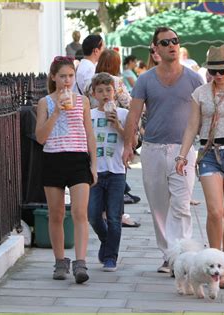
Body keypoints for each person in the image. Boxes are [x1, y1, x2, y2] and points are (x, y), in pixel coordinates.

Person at [122, 27, 204, 273]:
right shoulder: (146, 79)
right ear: (155, 49)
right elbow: (134, 115)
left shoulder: (194, 79)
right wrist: (128, 146)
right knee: (159, 207)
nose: (172, 45)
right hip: (153, 149)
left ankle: (183, 258)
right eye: (166, 42)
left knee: (181, 205)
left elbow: (203, 114)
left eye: (175, 41)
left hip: (184, 150)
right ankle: (169, 255)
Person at [175, 44, 224, 289]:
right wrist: (181, 156)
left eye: (222, 71)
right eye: (213, 71)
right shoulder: (200, 93)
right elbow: (191, 126)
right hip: (209, 153)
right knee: (215, 212)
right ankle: (212, 262)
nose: (218, 76)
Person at [35, 56, 97, 284]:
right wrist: (57, 112)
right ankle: (60, 261)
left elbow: (90, 133)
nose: (67, 81)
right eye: (62, 76)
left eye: (71, 76)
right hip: (53, 159)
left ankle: (81, 263)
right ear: (53, 77)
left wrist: (94, 163)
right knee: (57, 214)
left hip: (78, 158)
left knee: (80, 212)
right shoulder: (45, 102)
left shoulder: (83, 101)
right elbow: (40, 138)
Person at [92, 49, 142, 222]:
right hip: (108, 133)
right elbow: (130, 103)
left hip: (105, 141)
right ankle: (115, 214)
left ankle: (109, 215)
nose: (105, 94)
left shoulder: (92, 81)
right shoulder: (116, 82)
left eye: (108, 91)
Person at [88, 73, 128, 272]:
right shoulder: (90, 114)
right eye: (100, 91)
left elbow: (133, 141)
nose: (105, 94)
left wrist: (118, 126)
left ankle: (111, 256)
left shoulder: (123, 114)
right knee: (93, 215)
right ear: (94, 94)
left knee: (114, 216)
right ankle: (106, 241)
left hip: (116, 172)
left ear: (115, 92)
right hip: (95, 171)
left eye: (109, 90)